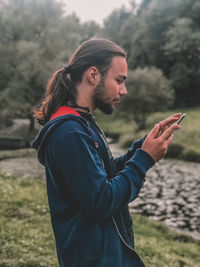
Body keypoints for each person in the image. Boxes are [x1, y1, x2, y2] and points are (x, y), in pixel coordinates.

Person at [32, 38, 181, 267]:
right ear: (93, 75)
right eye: (119, 80)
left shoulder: (83, 122)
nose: (124, 90)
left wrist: (142, 147)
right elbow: (102, 200)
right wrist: (144, 159)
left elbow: (104, 175)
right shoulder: (69, 132)